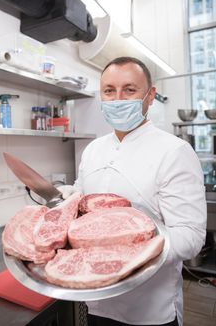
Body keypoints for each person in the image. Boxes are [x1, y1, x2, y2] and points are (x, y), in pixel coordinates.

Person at [59, 57, 207, 326]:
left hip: (150, 309)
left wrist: (123, 251)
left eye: (129, 90)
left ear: (150, 96)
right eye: (109, 91)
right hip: (96, 299)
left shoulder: (174, 152)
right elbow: (84, 198)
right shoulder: (93, 149)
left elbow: (190, 237)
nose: (117, 99)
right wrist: (70, 196)